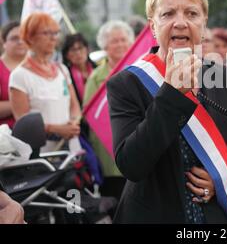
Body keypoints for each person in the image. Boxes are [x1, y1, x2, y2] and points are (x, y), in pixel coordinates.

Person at [106, 0, 227, 223]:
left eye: (191, 13)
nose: (180, 23)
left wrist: (220, 181)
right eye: (167, 14)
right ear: (152, 26)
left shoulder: (222, 76)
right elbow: (131, 164)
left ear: (204, 23)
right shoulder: (126, 83)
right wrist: (171, 94)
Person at [9, 13, 81, 152]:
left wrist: (73, 122)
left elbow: (75, 106)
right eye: (47, 33)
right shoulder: (19, 75)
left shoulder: (62, 70)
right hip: (42, 156)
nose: (53, 38)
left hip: (70, 150)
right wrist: (57, 129)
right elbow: (24, 123)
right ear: (30, 37)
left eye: (55, 33)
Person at [83, 20, 134, 201]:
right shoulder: (96, 77)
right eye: (114, 41)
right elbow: (89, 112)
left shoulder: (141, 69)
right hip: (108, 148)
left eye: (123, 40)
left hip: (137, 142)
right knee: (115, 200)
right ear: (104, 46)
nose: (120, 44)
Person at [0, 21, 27, 128]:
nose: (20, 41)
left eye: (24, 37)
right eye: (14, 38)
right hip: (8, 137)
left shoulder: (36, 65)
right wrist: (22, 103)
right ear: (4, 42)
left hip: (42, 136)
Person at [62, 33, 96, 106]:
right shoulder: (65, 76)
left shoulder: (97, 68)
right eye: (73, 50)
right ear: (67, 55)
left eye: (80, 48)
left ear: (87, 49)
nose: (78, 53)